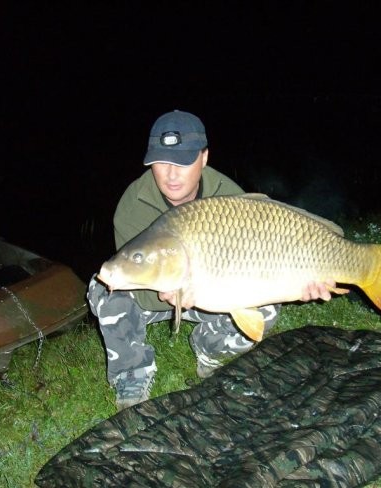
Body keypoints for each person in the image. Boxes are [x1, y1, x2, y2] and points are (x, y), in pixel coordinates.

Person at [87, 110, 335, 410]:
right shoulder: (132, 205)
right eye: (161, 162)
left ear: (204, 158)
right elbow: (132, 276)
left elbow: (263, 263)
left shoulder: (227, 196)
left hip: (220, 287)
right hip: (157, 293)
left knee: (266, 307)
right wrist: (174, 293)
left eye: (183, 161)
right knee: (101, 288)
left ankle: (210, 352)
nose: (171, 173)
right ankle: (132, 372)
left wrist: (304, 285)